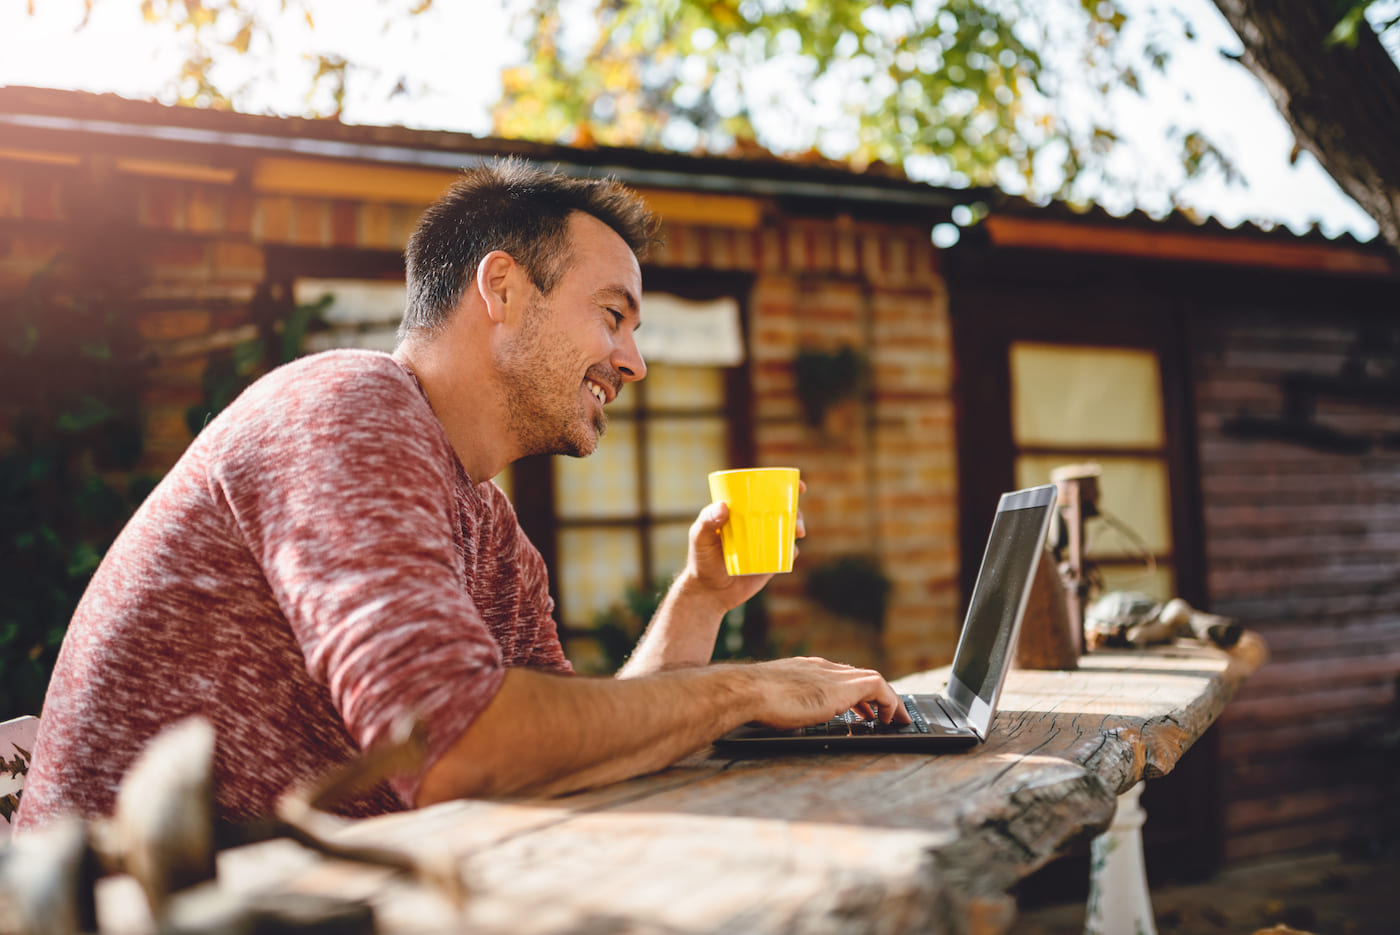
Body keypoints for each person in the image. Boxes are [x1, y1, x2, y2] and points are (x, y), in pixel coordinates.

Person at [16, 159, 907, 832]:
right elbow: (456, 746)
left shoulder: (486, 521)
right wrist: (744, 689)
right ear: (504, 289)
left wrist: (700, 601)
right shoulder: (344, 407)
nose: (634, 360)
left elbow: (568, 750)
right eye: (613, 314)